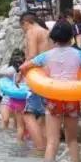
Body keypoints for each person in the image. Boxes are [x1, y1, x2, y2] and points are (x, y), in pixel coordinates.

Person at [21, 20, 81, 162]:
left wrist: (38, 74)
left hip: (53, 100)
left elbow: (24, 67)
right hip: (72, 99)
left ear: (53, 38)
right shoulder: (79, 55)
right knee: (72, 139)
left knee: (52, 141)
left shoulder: (46, 55)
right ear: (71, 37)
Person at [19, 12, 49, 150]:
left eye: (22, 27)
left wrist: (21, 72)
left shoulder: (32, 32)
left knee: (28, 114)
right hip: (49, 78)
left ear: (26, 23)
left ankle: (40, 149)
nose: (24, 31)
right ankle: (47, 148)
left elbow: (32, 55)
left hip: (38, 78)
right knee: (43, 114)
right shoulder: (46, 32)